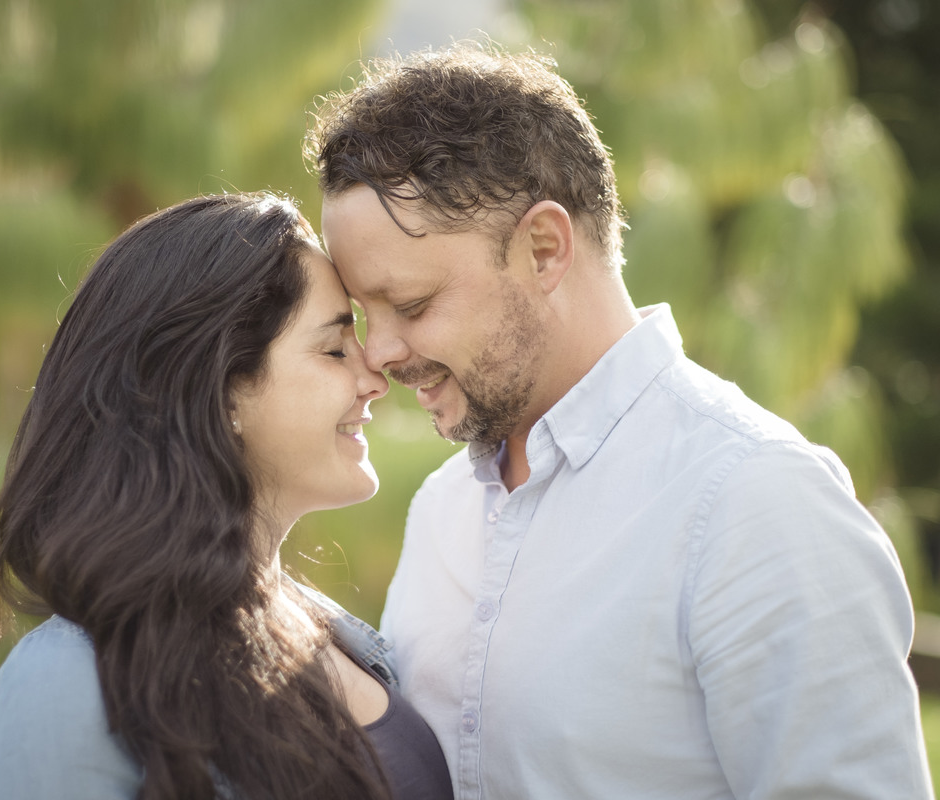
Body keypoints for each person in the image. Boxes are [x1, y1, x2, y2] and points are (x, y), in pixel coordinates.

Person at [306, 42, 932, 799]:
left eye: (409, 306)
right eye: (362, 317)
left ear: (543, 249)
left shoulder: (758, 505)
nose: (379, 356)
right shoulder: (442, 509)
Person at [0, 192, 454, 800]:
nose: (375, 378)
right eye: (333, 350)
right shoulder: (68, 686)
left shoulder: (342, 639)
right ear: (219, 395)